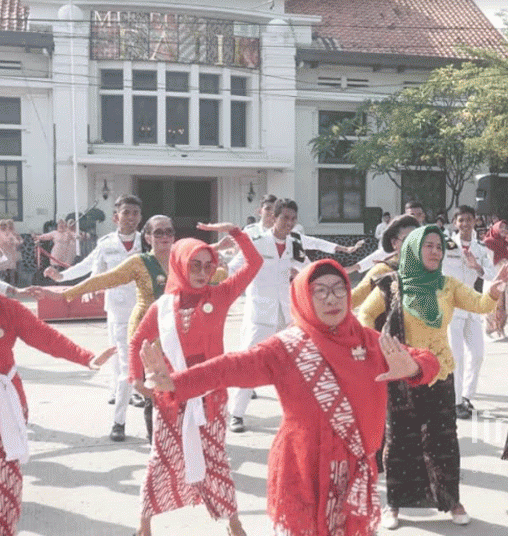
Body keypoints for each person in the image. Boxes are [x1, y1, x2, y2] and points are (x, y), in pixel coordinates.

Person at [139, 259, 440, 536]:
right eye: (320, 291)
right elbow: (229, 367)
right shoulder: (286, 348)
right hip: (303, 467)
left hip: (355, 470)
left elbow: (427, 360)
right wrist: (175, 382)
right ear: (303, 297)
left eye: (339, 289)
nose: (332, 298)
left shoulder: (368, 341)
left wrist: (413, 366)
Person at [357, 225, 508, 529]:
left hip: (439, 373)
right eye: (428, 245)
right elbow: (364, 314)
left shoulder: (448, 285)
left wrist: (492, 291)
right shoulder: (391, 284)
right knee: (400, 442)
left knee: (443, 441)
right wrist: (381, 344)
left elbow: (480, 304)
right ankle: (395, 504)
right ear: (414, 248)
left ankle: (452, 500)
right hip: (400, 376)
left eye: (439, 247)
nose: (435, 252)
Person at [0, 239, 113, 536]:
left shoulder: (6, 309)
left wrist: (87, 358)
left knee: (2, 480)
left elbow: (46, 337)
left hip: (1, 409)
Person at [128, 227, 262, 536]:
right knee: (161, 459)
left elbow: (254, 264)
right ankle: (144, 525)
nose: (204, 272)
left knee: (215, 460)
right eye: (195, 265)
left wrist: (236, 233)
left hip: (211, 397)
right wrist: (137, 379)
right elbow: (136, 343)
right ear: (178, 264)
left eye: (208, 265)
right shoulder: (160, 308)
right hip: (171, 399)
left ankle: (233, 523)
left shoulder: (220, 295)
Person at [32, 215, 176, 443]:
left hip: (172, 332)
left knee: (174, 388)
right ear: (147, 237)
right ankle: (136, 433)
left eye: (169, 232)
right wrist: (64, 293)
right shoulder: (139, 262)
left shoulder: (181, 259)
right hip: (140, 327)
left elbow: (209, 274)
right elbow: (102, 279)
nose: (165, 237)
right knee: (138, 382)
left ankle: (174, 439)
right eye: (158, 233)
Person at [44, 194, 143, 441]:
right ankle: (119, 412)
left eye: (135, 213)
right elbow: (89, 266)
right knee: (122, 360)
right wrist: (62, 278)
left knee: (130, 360)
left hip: (144, 309)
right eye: (126, 213)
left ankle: (126, 391)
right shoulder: (107, 243)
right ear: (115, 217)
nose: (131, 218)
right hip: (118, 310)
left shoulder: (148, 241)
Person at [227, 198, 307, 433]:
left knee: (290, 364)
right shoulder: (257, 241)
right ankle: (236, 413)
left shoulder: (294, 243)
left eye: (293, 219)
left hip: (286, 313)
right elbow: (234, 267)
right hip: (260, 312)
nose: (289, 223)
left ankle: (292, 413)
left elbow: (305, 268)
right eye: (285, 218)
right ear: (274, 217)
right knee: (248, 363)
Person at [444, 206, 496, 419]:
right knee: (456, 356)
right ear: (455, 223)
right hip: (451, 306)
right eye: (461, 220)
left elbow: (491, 274)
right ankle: (455, 402)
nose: (465, 224)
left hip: (472, 306)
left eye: (469, 220)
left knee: (477, 354)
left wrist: (477, 267)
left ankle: (466, 396)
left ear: (475, 222)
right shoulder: (446, 245)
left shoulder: (481, 248)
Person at [351, 215, 419, 308]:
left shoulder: (428, 267)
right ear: (394, 243)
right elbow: (355, 297)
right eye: (406, 239)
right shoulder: (384, 270)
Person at [482, 220, 508, 339]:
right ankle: (489, 330)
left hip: (506, 277)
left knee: (505, 304)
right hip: (493, 276)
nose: (504, 230)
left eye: (505, 228)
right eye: (501, 228)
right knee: (493, 303)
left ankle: (501, 328)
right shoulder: (487, 243)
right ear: (495, 229)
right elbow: (484, 260)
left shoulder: (507, 244)